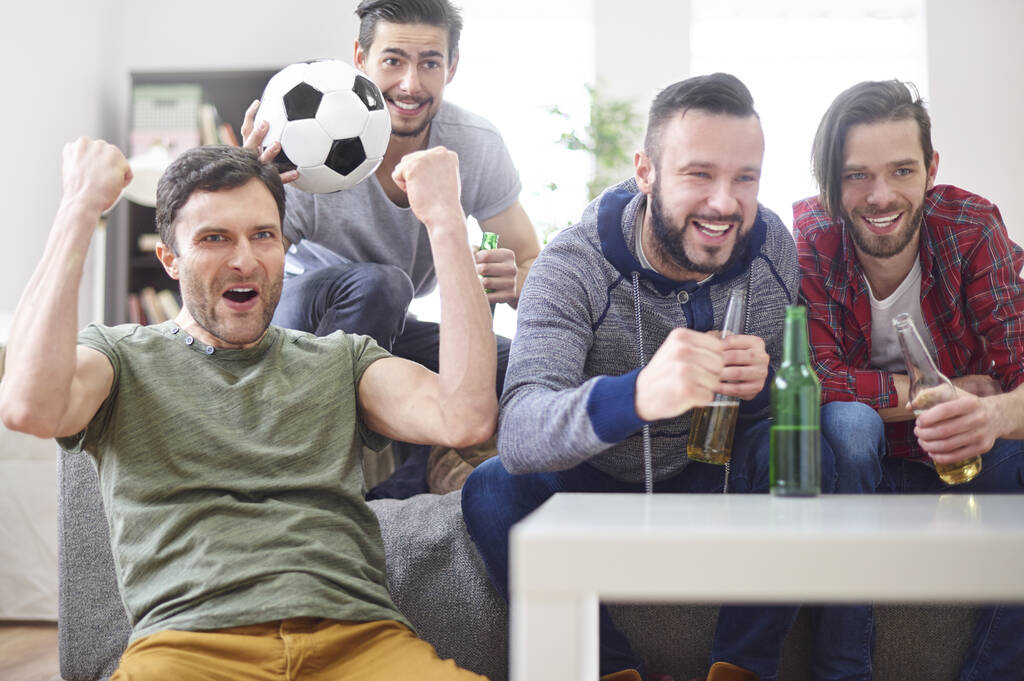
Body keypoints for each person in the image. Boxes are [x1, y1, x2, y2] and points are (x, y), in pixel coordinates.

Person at [0, 139, 497, 680]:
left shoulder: (341, 360)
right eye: (214, 239)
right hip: (188, 650)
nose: (245, 259)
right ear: (170, 258)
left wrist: (445, 219)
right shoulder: (121, 356)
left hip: (357, 642)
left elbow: (464, 417)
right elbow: (29, 407)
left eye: (263, 236)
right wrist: (77, 208)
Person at [461, 73, 840, 681]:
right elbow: (522, 429)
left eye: (745, 177)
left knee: (803, 450)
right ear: (645, 171)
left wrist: (765, 382)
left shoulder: (772, 248)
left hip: (712, 476)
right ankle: (611, 670)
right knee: (491, 488)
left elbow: (792, 391)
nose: (725, 203)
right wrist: (637, 394)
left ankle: (741, 667)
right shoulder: (571, 265)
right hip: (599, 481)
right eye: (699, 174)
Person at [795, 79, 1024, 680]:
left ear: (930, 170)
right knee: (846, 426)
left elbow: (1018, 373)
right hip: (858, 461)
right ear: (831, 181)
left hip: (962, 460)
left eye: (901, 171)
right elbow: (816, 379)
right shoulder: (809, 238)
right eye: (856, 176)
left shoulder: (972, 228)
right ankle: (842, 672)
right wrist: (933, 393)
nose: (881, 195)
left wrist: (992, 414)